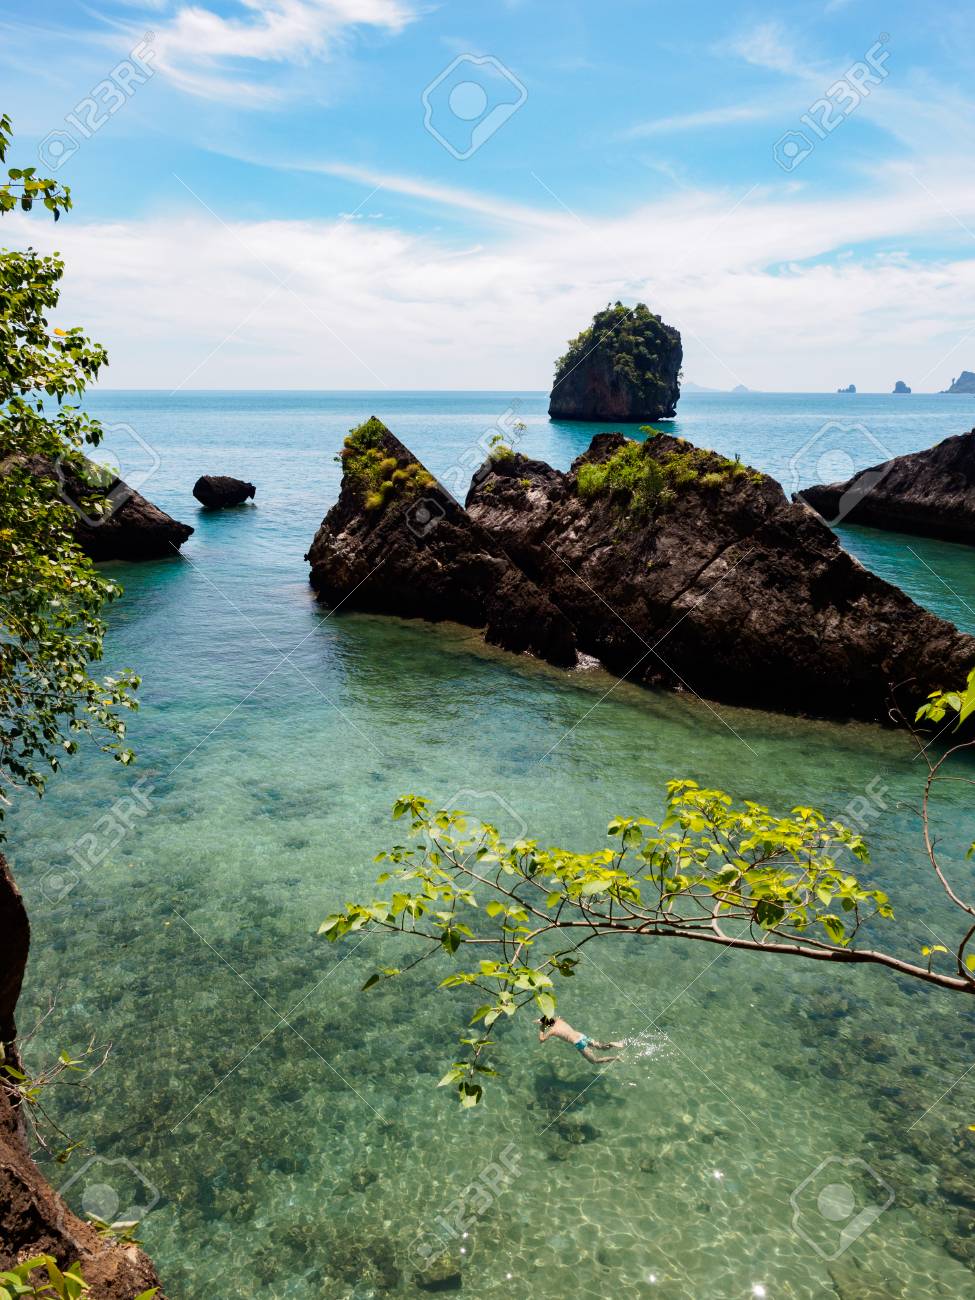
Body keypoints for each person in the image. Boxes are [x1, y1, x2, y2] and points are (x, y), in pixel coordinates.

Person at [536, 1014, 624, 1064]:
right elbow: (556, 1018)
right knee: (600, 1046)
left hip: (578, 1043)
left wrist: (541, 1029)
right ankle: (611, 1044)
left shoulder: (553, 1030)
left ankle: (615, 1058)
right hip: (582, 1036)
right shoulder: (559, 1021)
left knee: (595, 1061)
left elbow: (542, 1040)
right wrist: (545, 1020)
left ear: (547, 1025)